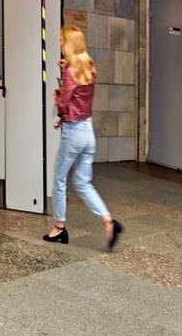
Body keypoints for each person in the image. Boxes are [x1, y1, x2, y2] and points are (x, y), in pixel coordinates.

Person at [43, 25, 123, 250]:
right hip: (88, 132)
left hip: (74, 132)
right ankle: (108, 221)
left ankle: (59, 227)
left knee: (59, 180)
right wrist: (65, 70)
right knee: (82, 181)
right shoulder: (88, 66)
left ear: (69, 43)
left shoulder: (70, 72)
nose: (59, 43)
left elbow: (65, 105)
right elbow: (79, 90)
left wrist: (57, 96)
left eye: (61, 40)